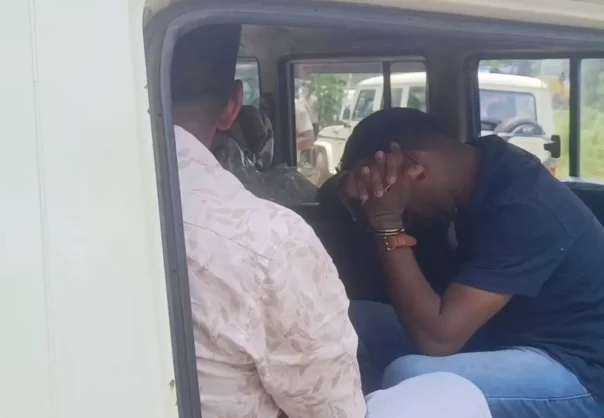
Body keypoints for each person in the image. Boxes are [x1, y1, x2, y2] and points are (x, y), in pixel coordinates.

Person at [169, 25, 492, 418]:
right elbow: (335, 410)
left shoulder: (106, 214)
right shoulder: (271, 241)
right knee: (456, 396)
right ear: (233, 105)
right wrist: (387, 223)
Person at [329, 107, 604, 417]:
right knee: (348, 320)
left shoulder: (525, 206)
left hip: (592, 380)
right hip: (504, 342)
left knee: (412, 377)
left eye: (381, 192)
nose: (387, 206)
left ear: (413, 167)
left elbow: (437, 339)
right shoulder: (473, 175)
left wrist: (387, 224)